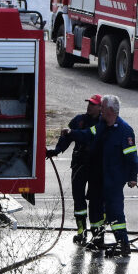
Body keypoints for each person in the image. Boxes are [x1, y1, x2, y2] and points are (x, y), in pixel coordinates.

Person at [65, 94, 138, 257]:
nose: (101, 111)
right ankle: (98, 239)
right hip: (98, 178)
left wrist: (133, 176)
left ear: (111, 111)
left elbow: (132, 157)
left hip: (114, 180)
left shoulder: (125, 131)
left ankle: (123, 244)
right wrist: (72, 133)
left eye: (103, 108)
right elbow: (87, 134)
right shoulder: (101, 125)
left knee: (115, 212)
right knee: (96, 211)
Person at [47, 94, 103, 243]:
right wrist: (56, 150)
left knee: (96, 202)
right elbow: (66, 136)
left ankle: (97, 235)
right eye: (89, 103)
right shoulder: (79, 120)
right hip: (79, 166)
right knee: (78, 200)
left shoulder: (103, 124)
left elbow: (85, 136)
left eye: (93, 104)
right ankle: (81, 232)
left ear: (100, 107)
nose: (89, 106)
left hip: (97, 168)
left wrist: (72, 133)